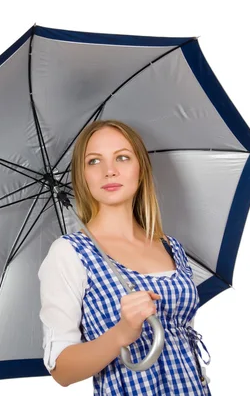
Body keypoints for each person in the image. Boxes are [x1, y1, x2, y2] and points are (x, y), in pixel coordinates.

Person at [38, 120, 211, 395]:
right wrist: (122, 333)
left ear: (140, 169)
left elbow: (185, 340)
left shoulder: (171, 247)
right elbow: (62, 370)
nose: (109, 171)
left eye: (122, 157)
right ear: (82, 176)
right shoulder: (69, 253)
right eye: (94, 161)